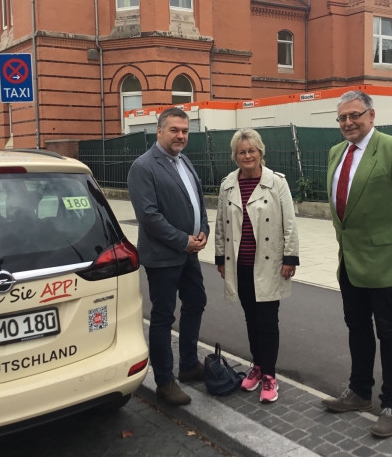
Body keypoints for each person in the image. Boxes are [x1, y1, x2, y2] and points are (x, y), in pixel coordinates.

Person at [322, 91, 392, 437]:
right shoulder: (335, 152)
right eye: (341, 118)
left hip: (385, 261)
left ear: (371, 115)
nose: (347, 123)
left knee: (388, 330)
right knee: (356, 326)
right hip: (350, 260)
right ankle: (358, 392)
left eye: (354, 115)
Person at [127, 107, 209, 406]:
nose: (181, 136)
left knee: (196, 302)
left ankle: (188, 365)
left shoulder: (183, 160)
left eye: (185, 131)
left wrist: (204, 232)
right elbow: (148, 215)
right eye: (175, 130)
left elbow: (196, 201)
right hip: (163, 256)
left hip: (189, 252)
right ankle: (164, 381)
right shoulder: (144, 166)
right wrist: (182, 241)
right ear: (159, 131)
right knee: (163, 317)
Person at [214, 128, 299, 403]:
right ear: (235, 156)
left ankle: (270, 375)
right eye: (242, 151)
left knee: (267, 321)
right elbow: (220, 225)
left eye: (252, 150)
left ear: (261, 152)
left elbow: (289, 222)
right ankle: (258, 366)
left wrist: (290, 257)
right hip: (240, 264)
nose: (247, 155)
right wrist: (219, 257)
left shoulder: (276, 182)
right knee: (251, 318)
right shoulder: (228, 183)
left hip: (269, 264)